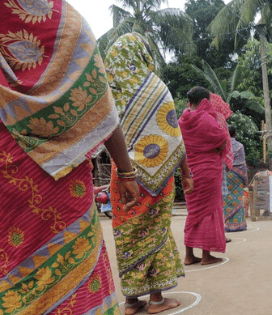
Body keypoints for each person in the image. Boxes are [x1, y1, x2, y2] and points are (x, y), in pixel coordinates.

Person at [0, 1, 140, 314]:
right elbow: (100, 103)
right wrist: (127, 172)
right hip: (62, 181)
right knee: (79, 279)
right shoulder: (64, 21)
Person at [105, 32, 194, 314]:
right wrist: (186, 173)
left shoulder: (107, 93)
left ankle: (131, 301)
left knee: (127, 234)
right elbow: (173, 136)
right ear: (143, 55)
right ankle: (156, 300)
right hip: (158, 175)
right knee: (155, 232)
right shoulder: (156, 88)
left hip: (122, 175)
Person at [179, 87, 229, 266]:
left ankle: (189, 255)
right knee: (208, 211)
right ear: (206, 101)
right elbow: (222, 138)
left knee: (193, 212)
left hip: (189, 171)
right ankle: (206, 255)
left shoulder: (181, 120)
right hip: (207, 170)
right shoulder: (206, 119)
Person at [223, 126, 249, 232]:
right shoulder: (239, 146)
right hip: (237, 176)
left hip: (225, 173)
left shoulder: (223, 145)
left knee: (225, 198)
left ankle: (227, 224)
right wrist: (245, 179)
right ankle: (238, 224)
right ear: (235, 134)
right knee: (237, 198)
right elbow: (242, 163)